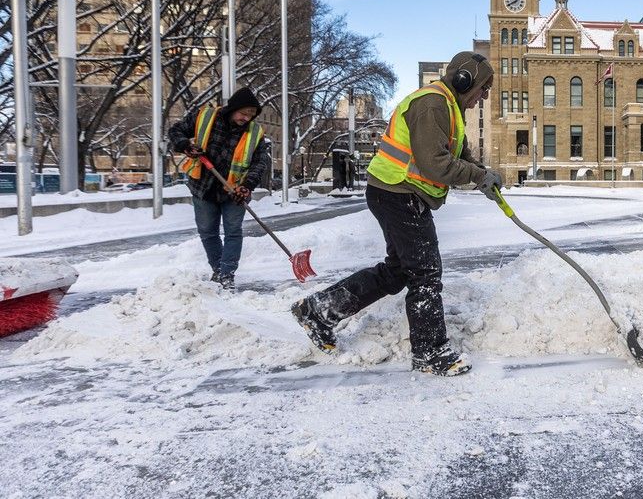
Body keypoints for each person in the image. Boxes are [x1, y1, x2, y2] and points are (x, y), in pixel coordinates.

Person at [291, 51, 503, 376]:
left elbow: (458, 154)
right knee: (425, 274)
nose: (485, 95)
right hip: (398, 192)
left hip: (398, 192)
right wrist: (476, 177)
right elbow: (434, 162)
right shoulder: (433, 104)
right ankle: (430, 352)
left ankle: (319, 310)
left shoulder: (448, 107)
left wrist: (482, 172)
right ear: (465, 80)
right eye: (483, 87)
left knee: (399, 271)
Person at [168, 87, 272, 290]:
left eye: (251, 115)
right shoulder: (204, 117)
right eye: (243, 113)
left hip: (234, 190)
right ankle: (219, 270)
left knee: (233, 232)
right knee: (208, 231)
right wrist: (185, 145)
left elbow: (260, 162)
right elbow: (176, 131)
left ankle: (227, 275)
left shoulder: (255, 132)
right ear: (233, 108)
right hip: (203, 186)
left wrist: (247, 185)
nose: (246, 118)